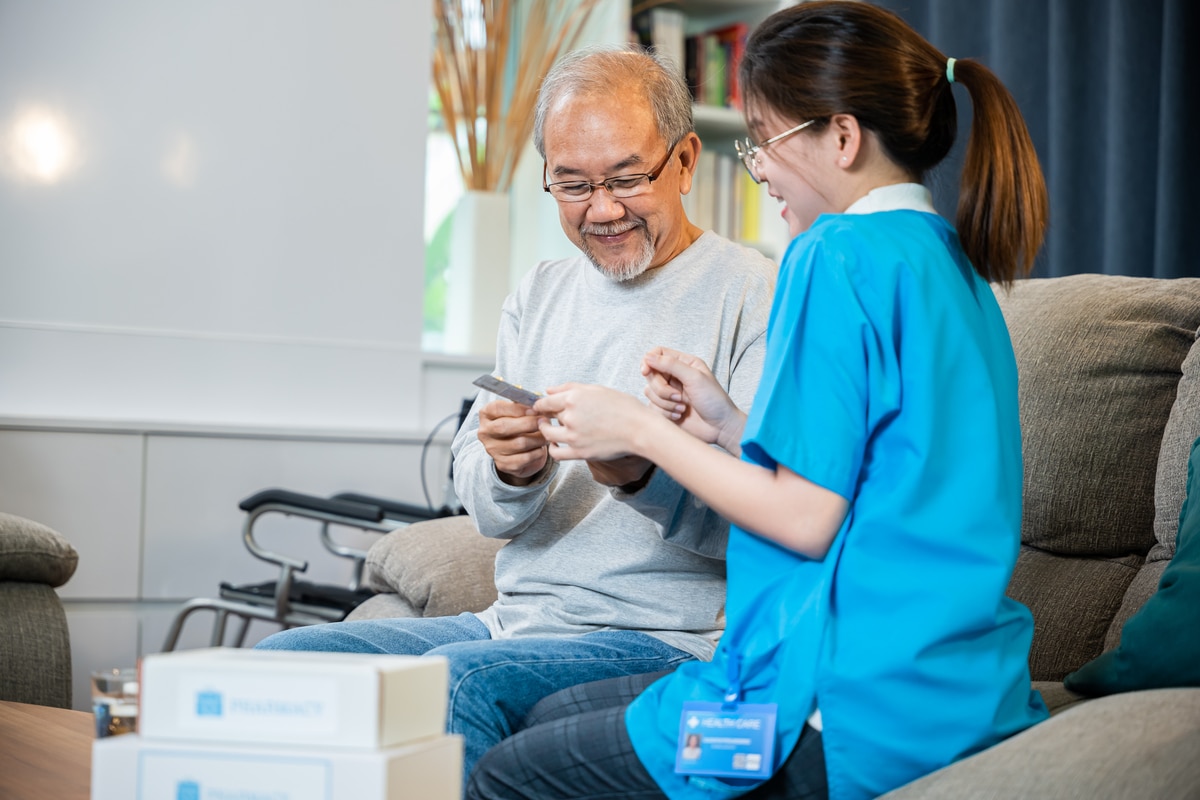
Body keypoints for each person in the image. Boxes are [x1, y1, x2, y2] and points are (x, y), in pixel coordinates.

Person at [466, 2, 1051, 798]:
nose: (758, 170)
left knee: (509, 772)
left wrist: (640, 429)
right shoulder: (949, 263)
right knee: (551, 714)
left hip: (831, 704)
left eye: (765, 141)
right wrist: (730, 425)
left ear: (840, 139)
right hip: (951, 691)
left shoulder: (832, 255)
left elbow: (807, 520)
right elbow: (878, 477)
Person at [255, 45, 777, 788]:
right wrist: (511, 467)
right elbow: (486, 507)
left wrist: (639, 474)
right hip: (514, 624)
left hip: (666, 638)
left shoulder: (756, 294)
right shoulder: (539, 293)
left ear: (686, 161)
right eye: (571, 184)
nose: (601, 210)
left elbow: (769, 521)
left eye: (627, 179)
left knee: (456, 682)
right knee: (274, 670)